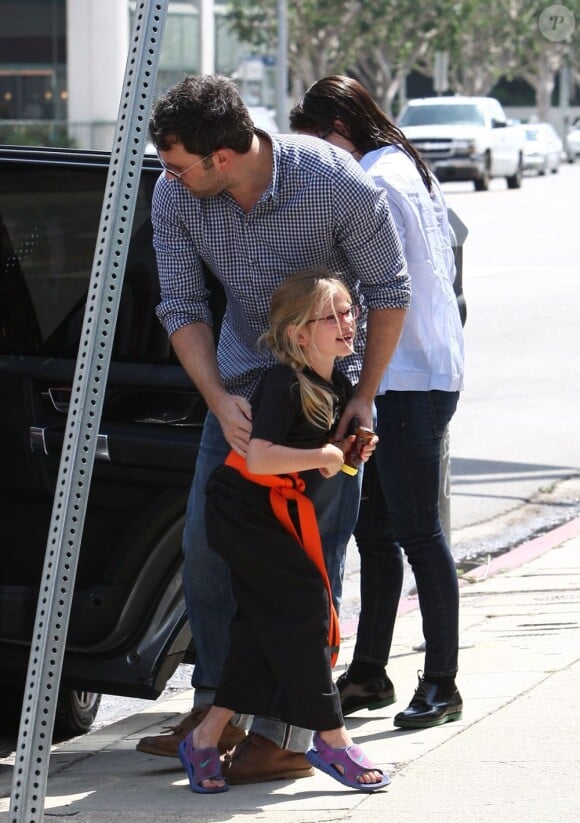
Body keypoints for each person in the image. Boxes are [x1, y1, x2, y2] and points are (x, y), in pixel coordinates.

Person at [136, 74, 410, 782]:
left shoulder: (332, 179)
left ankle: (286, 735)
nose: (166, 176)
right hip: (238, 402)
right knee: (209, 553)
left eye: (177, 163)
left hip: (323, 404)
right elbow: (182, 303)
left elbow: (389, 290)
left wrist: (364, 398)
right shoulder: (177, 197)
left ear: (222, 156)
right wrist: (218, 401)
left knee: (307, 570)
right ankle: (213, 714)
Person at [289, 76, 465, 729]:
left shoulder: (377, 180)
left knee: (418, 532)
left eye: (315, 144)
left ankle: (442, 683)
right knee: (378, 529)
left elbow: (373, 286)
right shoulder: (400, 165)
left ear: (337, 128)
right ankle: (369, 671)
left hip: (408, 378)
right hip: (412, 371)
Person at [178, 270, 389, 794]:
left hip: (270, 513)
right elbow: (261, 455)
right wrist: (324, 453)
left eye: (349, 311)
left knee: (259, 625)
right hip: (240, 511)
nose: (347, 323)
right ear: (299, 334)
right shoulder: (281, 383)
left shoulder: (336, 386)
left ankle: (205, 737)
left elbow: (319, 467)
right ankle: (331, 737)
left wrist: (346, 459)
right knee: (306, 606)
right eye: (332, 316)